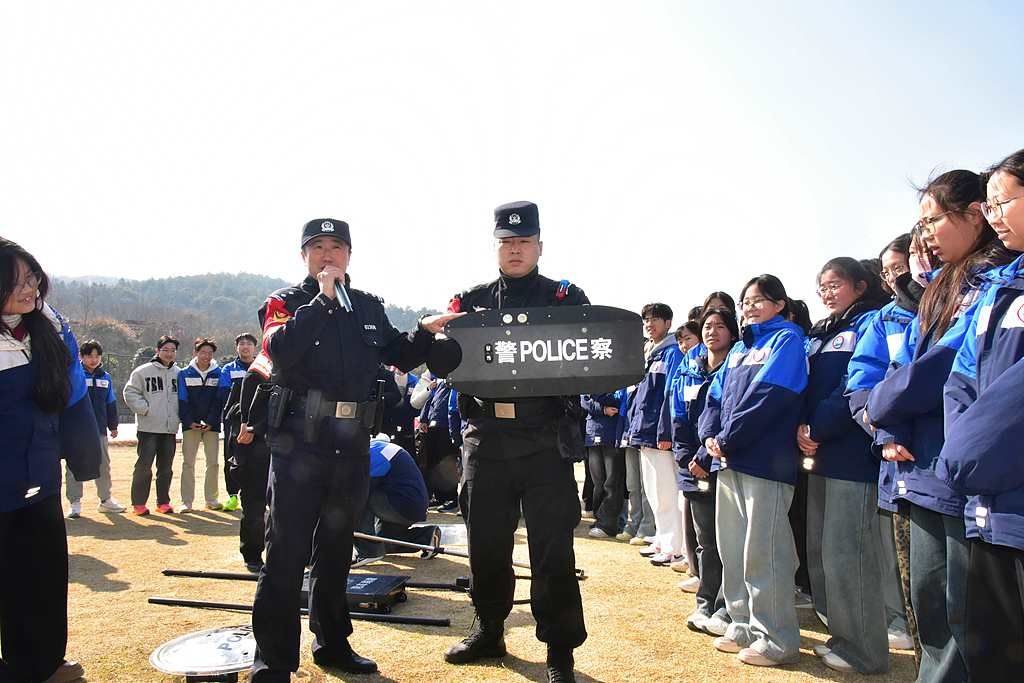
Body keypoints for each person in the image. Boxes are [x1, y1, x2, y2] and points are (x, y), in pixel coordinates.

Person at [249, 218, 455, 681]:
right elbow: (279, 349)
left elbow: (399, 353)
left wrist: (424, 331)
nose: (328, 254)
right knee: (285, 551)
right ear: (304, 255)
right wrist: (321, 302)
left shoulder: (367, 306)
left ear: (349, 255)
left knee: (338, 548)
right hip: (299, 444)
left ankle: (333, 643)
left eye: (337, 246)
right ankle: (273, 663)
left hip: (352, 444)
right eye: (318, 246)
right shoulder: (284, 302)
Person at [866, 170, 1014, 682]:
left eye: (933, 221)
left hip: (962, 470)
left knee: (963, 620)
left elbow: (937, 370)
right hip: (923, 467)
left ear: (974, 216)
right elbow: (900, 366)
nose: (925, 235)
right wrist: (885, 425)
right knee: (929, 608)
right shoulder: (940, 288)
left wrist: (880, 406)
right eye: (921, 225)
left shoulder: (990, 282)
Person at [440, 201, 589, 683]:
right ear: (496, 247)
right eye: (507, 242)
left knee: (552, 549)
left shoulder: (566, 298)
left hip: (545, 438)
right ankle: (489, 629)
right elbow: (443, 359)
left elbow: (589, 355)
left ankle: (560, 650)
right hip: (486, 437)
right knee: (485, 543)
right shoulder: (471, 302)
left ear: (540, 246)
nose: (515, 249)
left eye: (524, 241)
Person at [937, 149, 1024, 682]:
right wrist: (962, 452)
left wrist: (965, 453)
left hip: (1006, 493)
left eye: (1002, 202)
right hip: (986, 504)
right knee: (990, 651)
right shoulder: (998, 290)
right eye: (988, 205)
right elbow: (961, 378)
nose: (993, 216)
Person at [1, 237, 101, 683]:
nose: (29, 289)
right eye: (15, 282)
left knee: (41, 579)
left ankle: (40, 665)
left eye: (32, 278)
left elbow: (73, 391)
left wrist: (56, 327)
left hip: (38, 477)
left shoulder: (46, 327)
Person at [698, 274, 807, 667]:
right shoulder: (741, 348)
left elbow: (770, 397)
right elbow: (714, 396)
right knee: (733, 549)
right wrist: (710, 436)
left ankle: (776, 638)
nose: (750, 306)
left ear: (779, 304)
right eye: (746, 301)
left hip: (765, 462)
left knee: (766, 551)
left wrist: (727, 438)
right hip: (729, 460)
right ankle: (742, 623)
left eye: (760, 299)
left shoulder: (787, 340)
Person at [799, 257, 890, 674]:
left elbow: (852, 386)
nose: (827, 293)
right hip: (819, 453)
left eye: (835, 284)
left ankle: (865, 650)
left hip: (852, 454)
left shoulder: (869, 323)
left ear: (859, 286)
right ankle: (842, 635)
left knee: (849, 554)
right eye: (822, 286)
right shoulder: (823, 332)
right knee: (824, 552)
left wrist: (817, 427)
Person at [844, 233, 917, 654]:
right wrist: (880, 429)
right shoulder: (883, 319)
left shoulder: (951, 304)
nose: (895, 278)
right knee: (900, 555)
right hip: (891, 452)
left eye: (900, 268)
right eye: (887, 271)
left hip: (936, 452)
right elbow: (862, 383)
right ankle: (900, 620)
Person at [671, 307, 739, 634]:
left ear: (733, 332)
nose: (712, 332)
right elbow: (678, 418)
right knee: (706, 541)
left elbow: (725, 418)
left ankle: (726, 606)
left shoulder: (737, 365)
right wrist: (687, 458)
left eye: (720, 326)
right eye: (708, 326)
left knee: (729, 542)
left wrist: (703, 456)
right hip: (694, 468)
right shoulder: (690, 368)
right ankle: (705, 601)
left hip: (722, 463)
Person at [627, 303, 685, 567]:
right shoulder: (650, 352)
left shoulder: (672, 353)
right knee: (653, 490)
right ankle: (662, 538)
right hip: (643, 431)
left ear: (668, 323)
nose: (649, 325)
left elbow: (670, 394)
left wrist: (665, 430)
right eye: (646, 320)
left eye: (655, 319)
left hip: (658, 433)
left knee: (666, 491)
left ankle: (674, 545)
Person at [352, 437, 441, 565]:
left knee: (356, 497)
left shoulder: (372, 455)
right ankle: (426, 536)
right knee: (382, 542)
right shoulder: (377, 447)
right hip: (410, 504)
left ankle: (367, 552)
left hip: (403, 504)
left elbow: (360, 494)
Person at [64, 339, 125, 518]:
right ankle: (74, 503)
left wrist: (113, 425)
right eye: (90, 356)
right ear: (81, 357)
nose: (94, 359)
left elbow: (110, 402)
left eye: (97, 356)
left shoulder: (105, 377)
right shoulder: (73, 375)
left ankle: (105, 500)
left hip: (99, 429)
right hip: (76, 430)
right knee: (74, 465)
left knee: (103, 465)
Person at [225, 351, 273, 573]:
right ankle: (253, 554)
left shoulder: (292, 368)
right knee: (254, 506)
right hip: (255, 452)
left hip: (284, 450)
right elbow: (241, 418)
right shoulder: (257, 372)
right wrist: (251, 425)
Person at [123, 335, 181, 515]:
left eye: (173, 350)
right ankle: (139, 503)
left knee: (166, 468)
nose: (169, 353)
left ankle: (163, 502)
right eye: (165, 350)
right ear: (158, 350)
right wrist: (146, 410)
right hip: (148, 428)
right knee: (144, 465)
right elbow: (130, 392)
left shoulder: (179, 373)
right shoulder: (143, 371)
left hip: (170, 428)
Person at [177, 337, 223, 512]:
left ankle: (211, 499)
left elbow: (219, 400)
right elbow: (182, 399)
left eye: (210, 353)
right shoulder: (184, 373)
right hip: (191, 425)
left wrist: (211, 421)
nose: (206, 356)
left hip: (212, 426)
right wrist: (189, 421)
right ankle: (187, 502)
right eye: (203, 352)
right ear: (195, 353)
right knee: (188, 463)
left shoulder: (218, 373)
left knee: (213, 463)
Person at [218, 332, 259, 512]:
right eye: (242, 344)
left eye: (249, 344)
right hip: (234, 421)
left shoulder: (262, 367)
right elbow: (224, 395)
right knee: (232, 457)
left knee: (257, 457)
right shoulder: (228, 369)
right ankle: (233, 495)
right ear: (237, 347)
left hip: (257, 420)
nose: (245, 347)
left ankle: (256, 495)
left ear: (255, 347)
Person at [581, 389, 627, 538]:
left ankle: (608, 524)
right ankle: (600, 520)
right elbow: (584, 400)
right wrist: (602, 408)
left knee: (612, 483)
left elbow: (618, 399)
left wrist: (597, 397)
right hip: (592, 433)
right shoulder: (590, 378)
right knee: (598, 483)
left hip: (613, 435)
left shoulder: (618, 378)